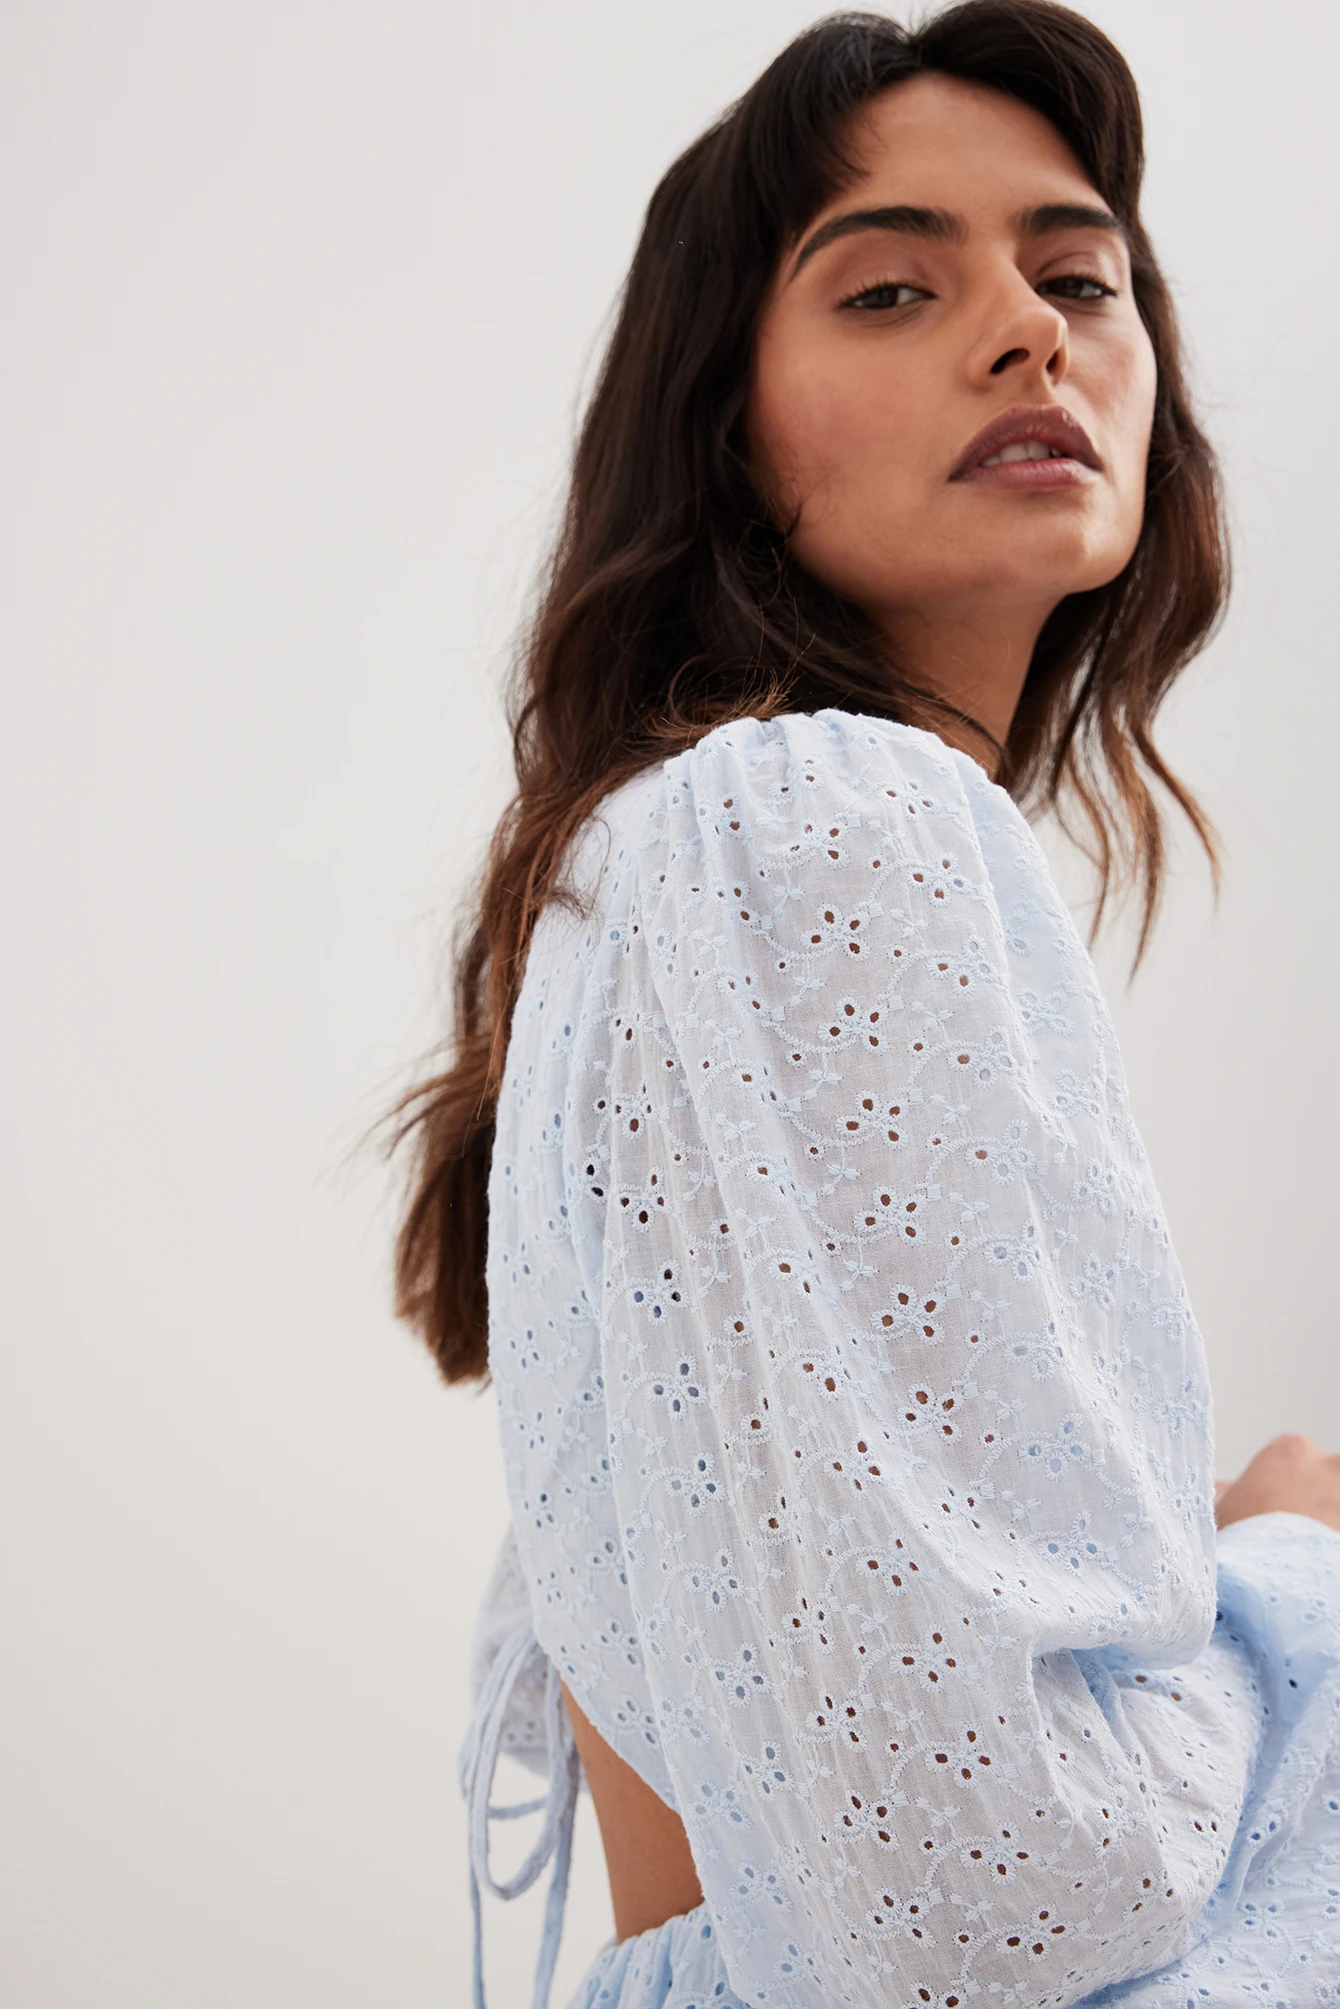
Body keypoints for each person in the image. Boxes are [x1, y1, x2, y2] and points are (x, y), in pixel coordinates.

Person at [391, 5, 1340, 2003]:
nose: (1027, 333)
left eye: (1079, 277)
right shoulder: (817, 819)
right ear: (721, 423)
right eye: (892, 286)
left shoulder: (661, 870)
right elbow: (966, 1902)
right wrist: (1288, 1565)